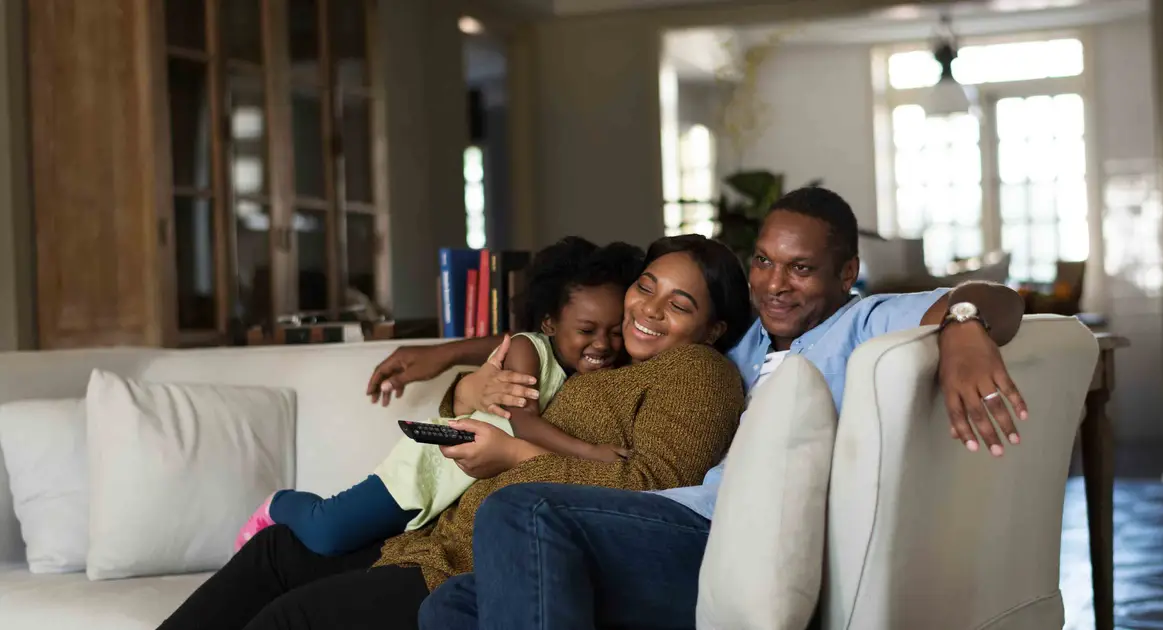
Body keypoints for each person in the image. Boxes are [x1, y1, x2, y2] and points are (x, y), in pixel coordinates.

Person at [393, 186, 1030, 629]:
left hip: (722, 539)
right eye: (764, 261)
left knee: (519, 507)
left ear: (846, 273)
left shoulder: (863, 321)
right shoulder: (737, 336)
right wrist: (456, 358)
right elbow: (587, 339)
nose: (776, 283)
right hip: (659, 520)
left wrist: (966, 328)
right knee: (449, 608)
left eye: (801, 268)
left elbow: (997, 297)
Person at [157, 234, 754, 630]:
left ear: (712, 328)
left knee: (296, 618)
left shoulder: (698, 373)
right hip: (434, 535)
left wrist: (514, 455)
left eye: (678, 304)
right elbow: (529, 354)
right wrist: (458, 373)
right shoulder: (610, 353)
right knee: (277, 552)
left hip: (473, 563)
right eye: (646, 286)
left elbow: (653, 486)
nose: (647, 310)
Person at [231, 238, 643, 556]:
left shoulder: (579, 371)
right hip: (423, 470)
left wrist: (443, 355)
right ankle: (278, 504)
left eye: (614, 331)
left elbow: (488, 344)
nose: (603, 344)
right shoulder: (529, 350)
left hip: (452, 490)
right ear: (551, 323)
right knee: (328, 533)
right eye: (587, 331)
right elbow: (525, 422)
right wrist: (590, 452)